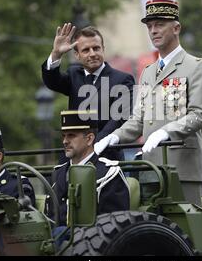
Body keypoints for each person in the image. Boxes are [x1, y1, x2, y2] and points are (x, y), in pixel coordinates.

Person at [95, 0, 202, 206]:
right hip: (150, 168)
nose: (153, 31)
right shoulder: (149, 72)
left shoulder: (196, 67)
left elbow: (199, 114)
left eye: (159, 24)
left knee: (185, 231)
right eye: (149, 26)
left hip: (181, 168)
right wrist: (114, 136)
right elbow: (139, 119)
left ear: (176, 28)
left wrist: (166, 132)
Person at [41, 24, 135, 161]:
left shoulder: (122, 79)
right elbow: (52, 82)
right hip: (74, 157)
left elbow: (119, 118)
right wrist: (56, 54)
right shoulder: (73, 74)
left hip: (106, 156)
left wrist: (92, 147)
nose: (92, 54)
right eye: (86, 50)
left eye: (96, 48)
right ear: (77, 55)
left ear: (103, 49)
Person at [47, 110, 130, 229]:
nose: (65, 141)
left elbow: (114, 226)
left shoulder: (108, 174)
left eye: (71, 135)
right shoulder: (58, 173)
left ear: (89, 139)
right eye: (63, 136)